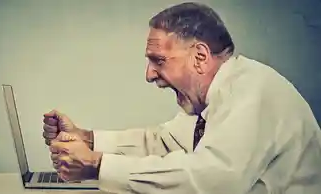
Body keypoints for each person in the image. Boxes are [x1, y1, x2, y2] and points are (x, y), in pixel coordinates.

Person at [42, 2, 321, 194]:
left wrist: (95, 165)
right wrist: (86, 137)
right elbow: (163, 142)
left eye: (159, 61)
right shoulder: (211, 100)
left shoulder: (253, 90)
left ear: (200, 57)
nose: (150, 75)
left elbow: (214, 180)